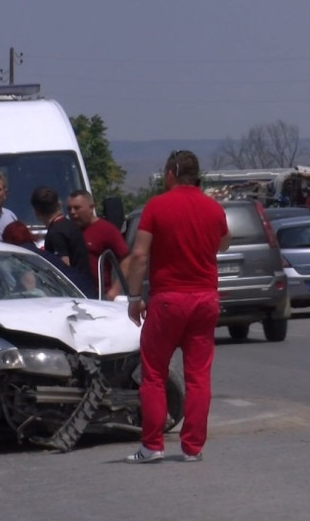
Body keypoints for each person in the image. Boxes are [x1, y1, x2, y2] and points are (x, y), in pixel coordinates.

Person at [124, 150, 230, 464]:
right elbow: (224, 243)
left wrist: (133, 298)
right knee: (199, 376)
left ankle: (152, 445)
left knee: (154, 374)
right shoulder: (213, 209)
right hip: (205, 300)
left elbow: (140, 255)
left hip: (169, 299)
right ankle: (193, 447)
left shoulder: (157, 207)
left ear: (171, 172)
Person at [2, 220, 96, 297]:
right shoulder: (37, 253)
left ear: (8, 241)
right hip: (86, 289)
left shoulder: (21, 256)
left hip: (77, 295)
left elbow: (29, 285)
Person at [67, 190, 130, 300]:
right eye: (69, 208)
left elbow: (127, 260)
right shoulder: (68, 231)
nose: (72, 212)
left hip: (99, 295)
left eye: (77, 208)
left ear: (91, 207)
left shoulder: (106, 230)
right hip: (73, 294)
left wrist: (115, 290)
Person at [30, 186, 96, 289]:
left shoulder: (56, 233)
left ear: (36, 212)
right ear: (59, 205)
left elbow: (63, 267)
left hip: (74, 293)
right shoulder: (72, 225)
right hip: (86, 287)